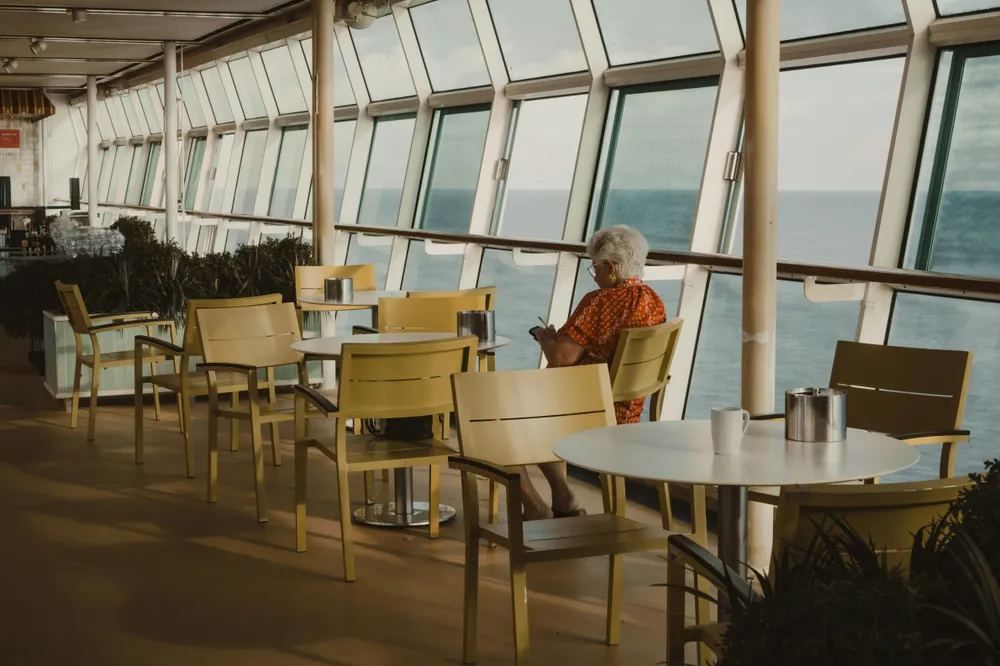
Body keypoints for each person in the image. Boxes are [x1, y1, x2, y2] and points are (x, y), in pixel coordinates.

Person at [522, 225, 666, 520]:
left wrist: (546, 340)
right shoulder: (653, 301)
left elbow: (561, 358)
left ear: (611, 268)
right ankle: (563, 498)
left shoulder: (600, 301)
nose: (595, 275)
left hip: (592, 411)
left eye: (595, 268)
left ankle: (535, 507)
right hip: (628, 412)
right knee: (530, 409)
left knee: (502, 417)